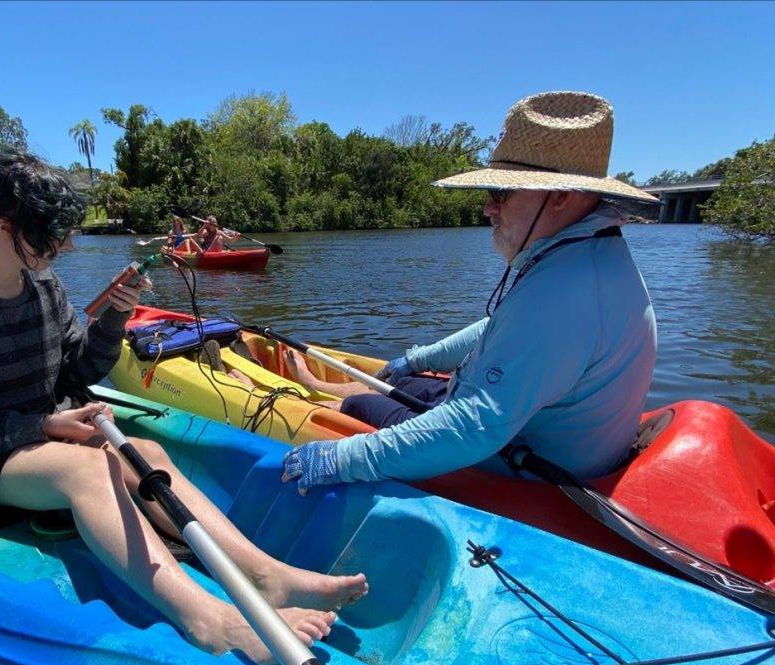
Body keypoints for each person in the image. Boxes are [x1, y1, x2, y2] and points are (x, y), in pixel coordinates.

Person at [0, 148, 367, 665]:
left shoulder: (43, 286)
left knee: (146, 453)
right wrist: (44, 423)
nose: (69, 243)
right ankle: (208, 620)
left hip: (42, 437)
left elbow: (77, 370)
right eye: (57, 230)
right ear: (7, 227)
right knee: (89, 468)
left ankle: (262, 574)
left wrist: (114, 320)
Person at [281, 91, 660, 495]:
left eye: (501, 194)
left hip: (525, 467)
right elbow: (502, 328)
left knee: (362, 406)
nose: (486, 208)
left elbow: (471, 428)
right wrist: (416, 360)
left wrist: (340, 458)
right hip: (532, 429)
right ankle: (325, 387)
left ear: (561, 198)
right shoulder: (587, 255)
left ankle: (323, 397)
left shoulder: (567, 295)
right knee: (410, 385)